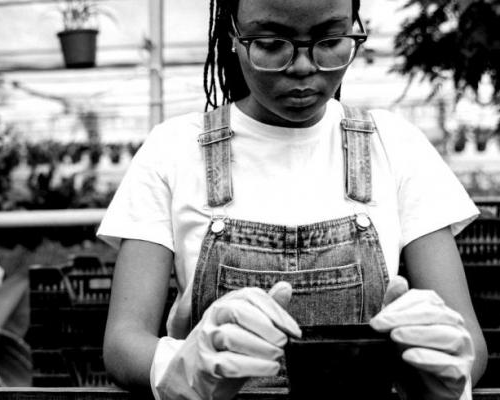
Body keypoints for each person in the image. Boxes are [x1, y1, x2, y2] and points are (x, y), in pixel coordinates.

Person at [97, 0, 488, 399]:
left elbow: (468, 344)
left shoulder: (396, 146)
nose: (302, 66)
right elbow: (123, 342)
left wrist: (435, 365)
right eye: (270, 43)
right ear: (232, 35)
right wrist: (182, 366)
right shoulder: (175, 149)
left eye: (331, 39)